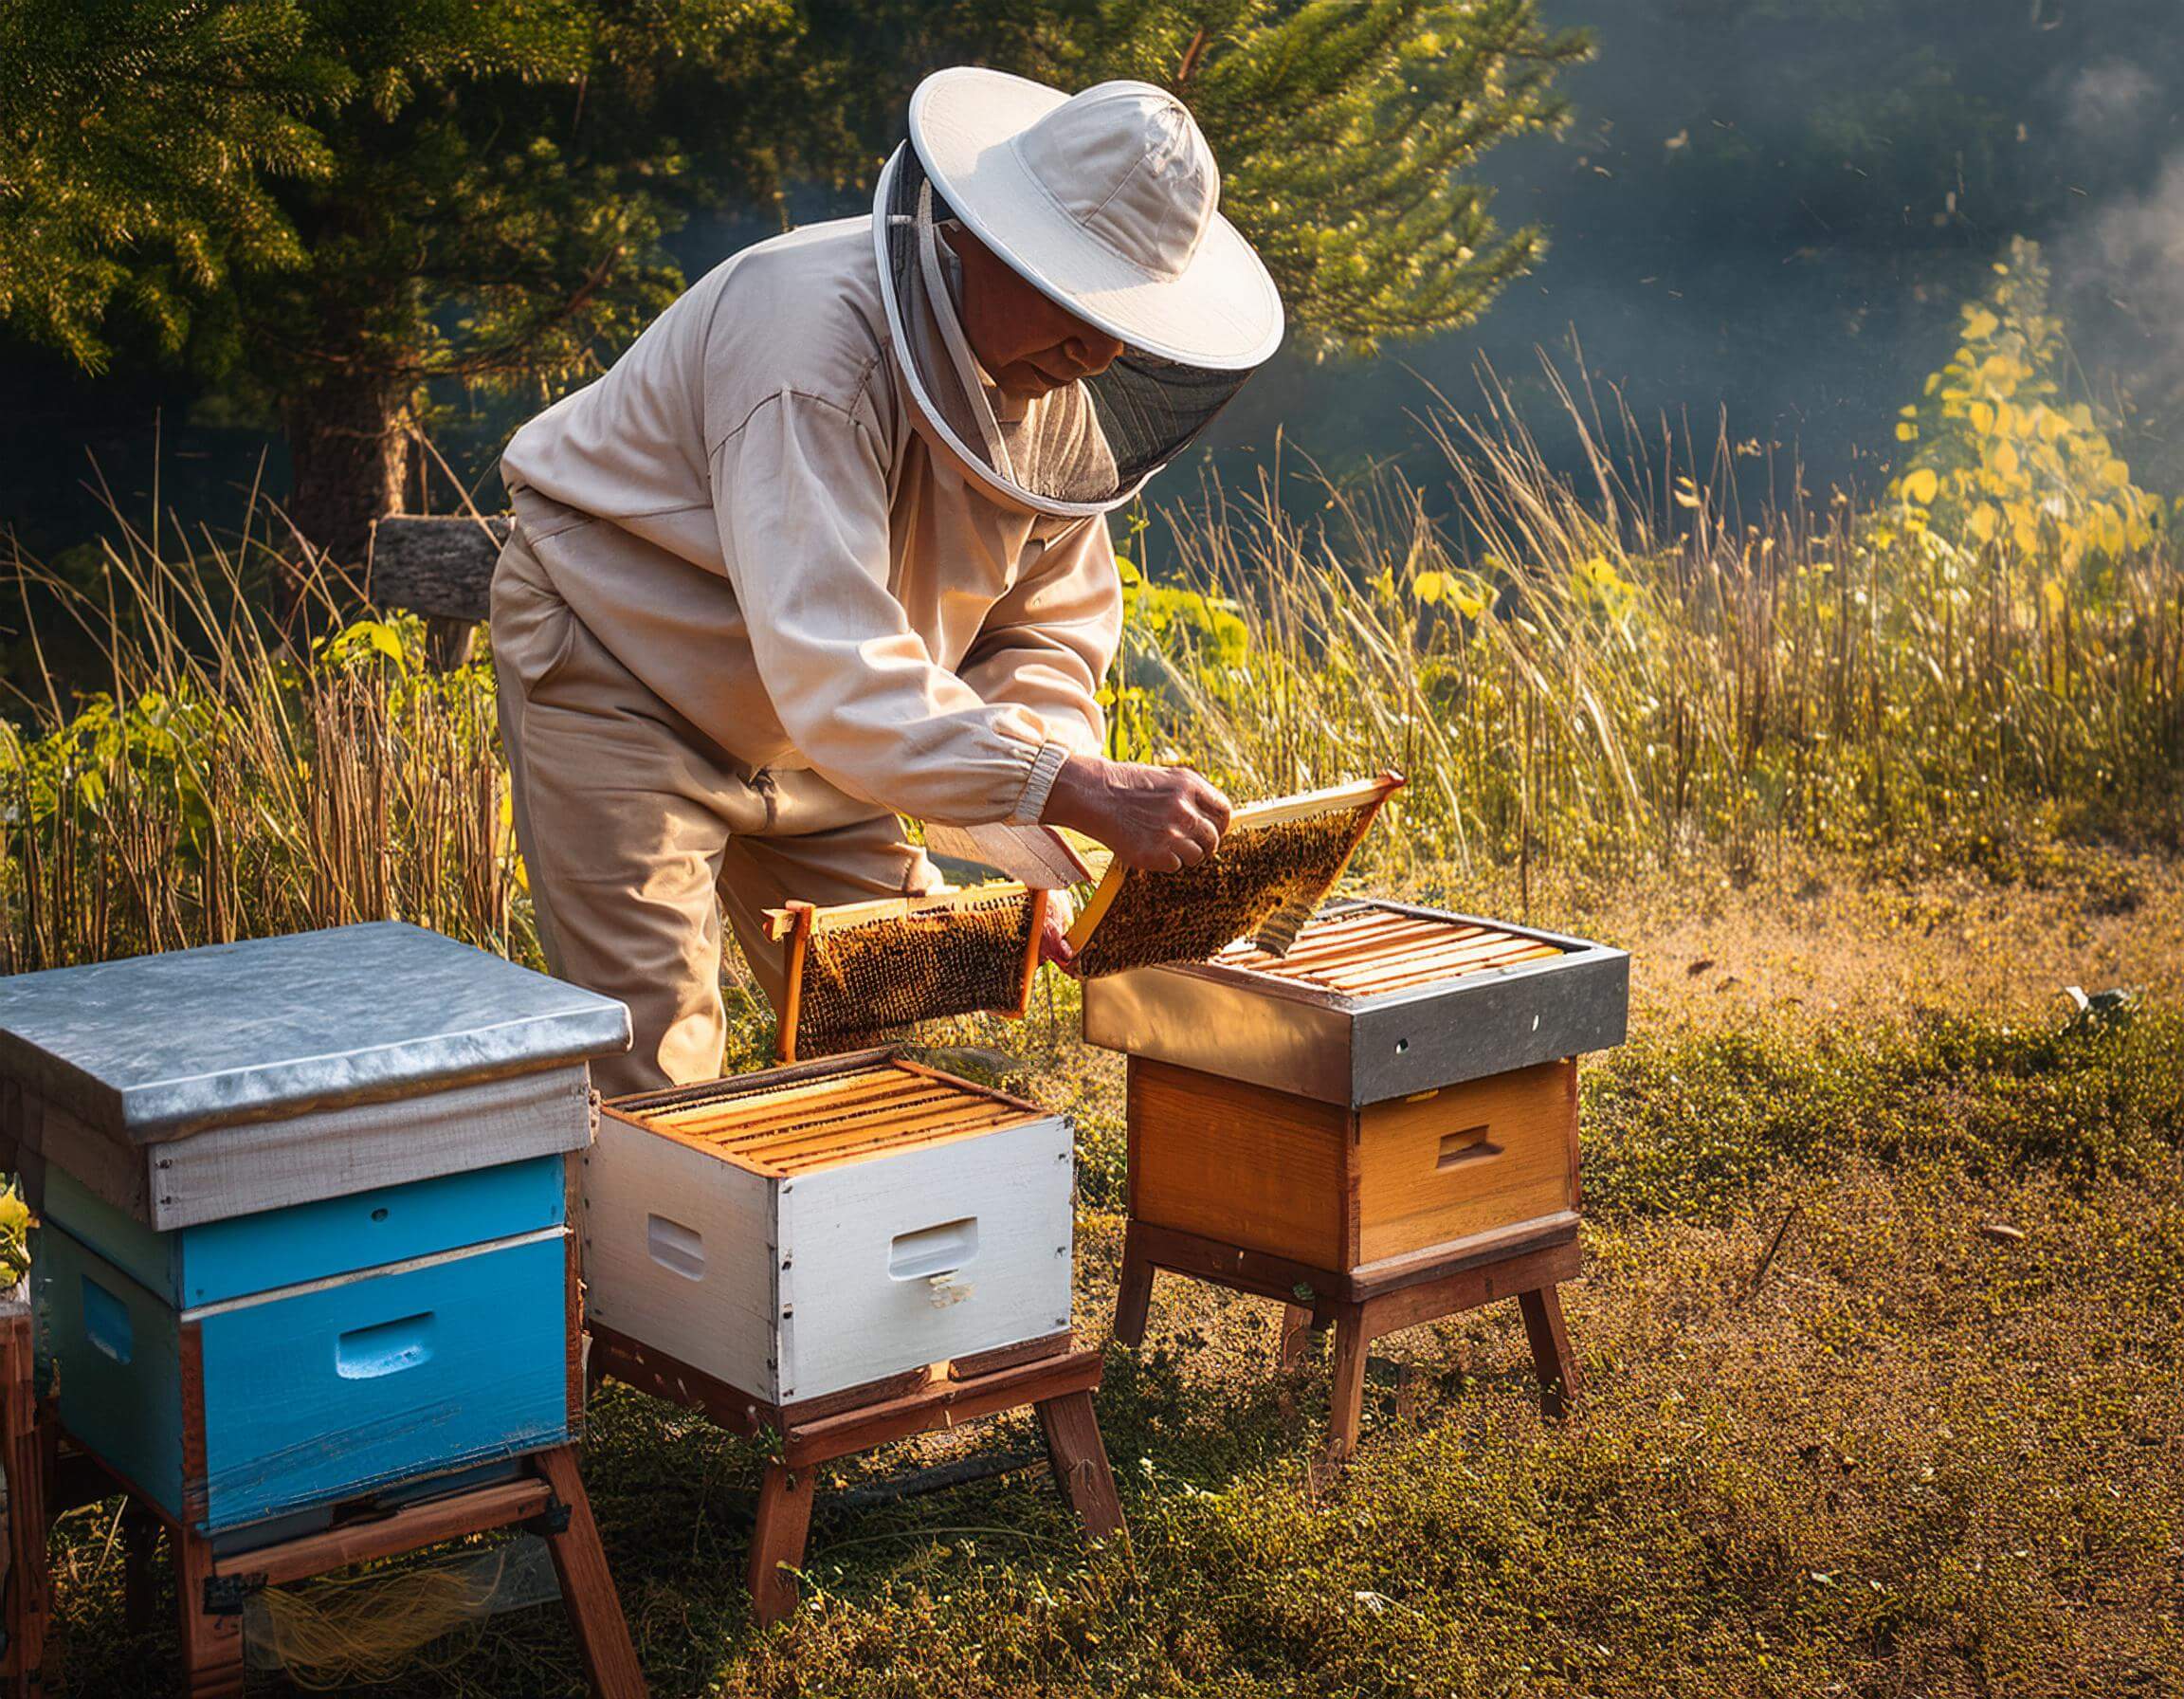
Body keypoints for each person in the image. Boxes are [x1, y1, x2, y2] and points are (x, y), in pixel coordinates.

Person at [492, 66, 1284, 1093]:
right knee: (658, 1066)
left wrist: (1047, 830)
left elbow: (1041, 632)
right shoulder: (805, 347)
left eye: (1123, 312)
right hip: (625, 672)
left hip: (822, 738)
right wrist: (1075, 789)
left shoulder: (1049, 403)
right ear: (973, 235)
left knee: (905, 1008)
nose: (1099, 349)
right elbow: (836, 664)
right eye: (1077, 297)